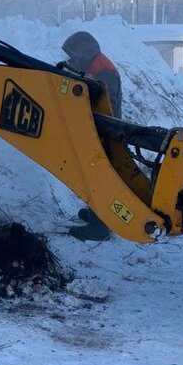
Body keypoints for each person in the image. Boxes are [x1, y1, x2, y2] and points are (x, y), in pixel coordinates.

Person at [61, 31, 122, 241]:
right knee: (91, 172)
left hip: (104, 128)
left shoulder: (102, 69)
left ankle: (100, 224)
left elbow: (102, 98)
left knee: (98, 175)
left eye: (73, 55)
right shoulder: (95, 65)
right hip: (100, 126)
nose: (72, 59)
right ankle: (97, 213)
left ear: (83, 52)